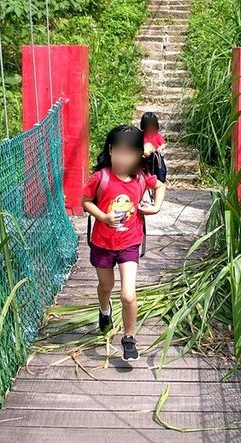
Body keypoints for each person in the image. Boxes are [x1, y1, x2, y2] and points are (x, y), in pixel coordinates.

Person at [81, 125, 166, 361]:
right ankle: (104, 310)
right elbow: (86, 201)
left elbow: (160, 186)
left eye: (129, 153)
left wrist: (156, 207)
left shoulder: (141, 177)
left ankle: (129, 337)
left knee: (128, 294)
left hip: (129, 243)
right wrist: (104, 217)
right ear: (110, 150)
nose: (122, 158)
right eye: (118, 152)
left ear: (139, 155)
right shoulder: (102, 177)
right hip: (103, 244)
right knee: (105, 287)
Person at [139, 111, 167, 182]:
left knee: (160, 169)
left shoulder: (157, 135)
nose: (150, 127)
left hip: (155, 157)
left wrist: (160, 148)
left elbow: (163, 143)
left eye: (152, 125)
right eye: (148, 125)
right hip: (144, 157)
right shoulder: (140, 135)